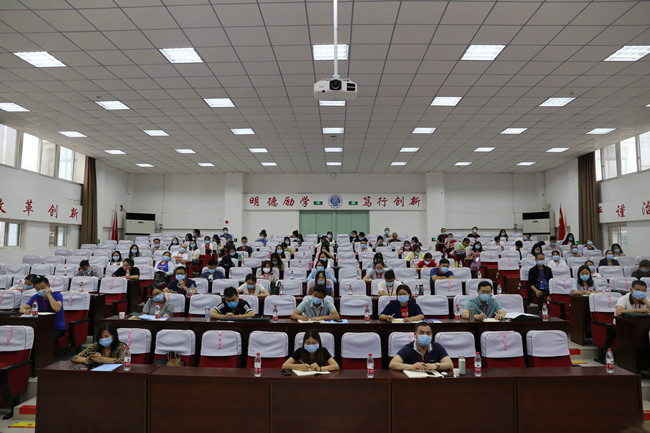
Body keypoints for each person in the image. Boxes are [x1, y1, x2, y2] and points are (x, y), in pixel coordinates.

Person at [389, 322, 453, 371]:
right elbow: (393, 364)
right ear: (415, 334)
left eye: (428, 333)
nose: (425, 335)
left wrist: (435, 366)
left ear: (432, 335)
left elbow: (450, 364)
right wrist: (412, 367)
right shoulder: (408, 348)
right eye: (421, 333)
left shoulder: (437, 347)